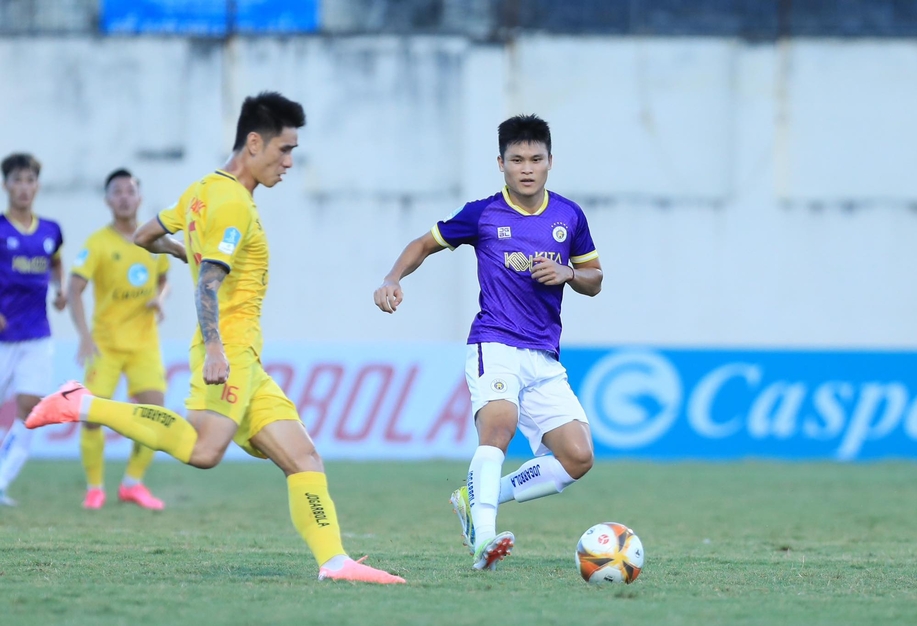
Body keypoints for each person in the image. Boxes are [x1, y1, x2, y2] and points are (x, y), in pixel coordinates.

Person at [27, 92, 405, 584]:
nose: (289, 162)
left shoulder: (203, 189)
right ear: (254, 142)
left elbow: (142, 235)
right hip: (229, 350)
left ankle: (335, 562)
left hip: (246, 355)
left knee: (304, 456)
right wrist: (215, 348)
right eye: (284, 149)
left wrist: (178, 249)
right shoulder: (232, 206)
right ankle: (83, 403)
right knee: (205, 452)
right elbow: (209, 282)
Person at [373, 115, 602, 571]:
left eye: (536, 158)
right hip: (494, 343)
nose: (527, 168)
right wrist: (392, 278)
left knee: (578, 457)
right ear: (501, 163)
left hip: (544, 356)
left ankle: (476, 495)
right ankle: (484, 535)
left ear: (550, 162)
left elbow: (594, 279)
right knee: (498, 428)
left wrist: (569, 273)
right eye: (517, 159)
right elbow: (423, 244)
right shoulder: (482, 214)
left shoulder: (569, 216)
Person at [67, 168, 171, 510]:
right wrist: (84, 336)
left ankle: (132, 484)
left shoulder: (153, 240)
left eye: (130, 190)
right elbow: (74, 288)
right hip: (105, 345)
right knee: (92, 415)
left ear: (139, 197)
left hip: (143, 343)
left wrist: (162, 298)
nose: (125, 196)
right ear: (108, 200)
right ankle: (95, 487)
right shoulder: (97, 243)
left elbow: (164, 278)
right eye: (117, 191)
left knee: (155, 413)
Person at [0, 153, 66, 506]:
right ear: (6, 184)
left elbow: (56, 263)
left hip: (37, 334)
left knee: (30, 407)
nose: (24, 188)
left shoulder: (50, 230)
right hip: (2, 336)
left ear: (37, 185)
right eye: (17, 180)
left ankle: (2, 480)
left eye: (30, 180)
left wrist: (60, 291)